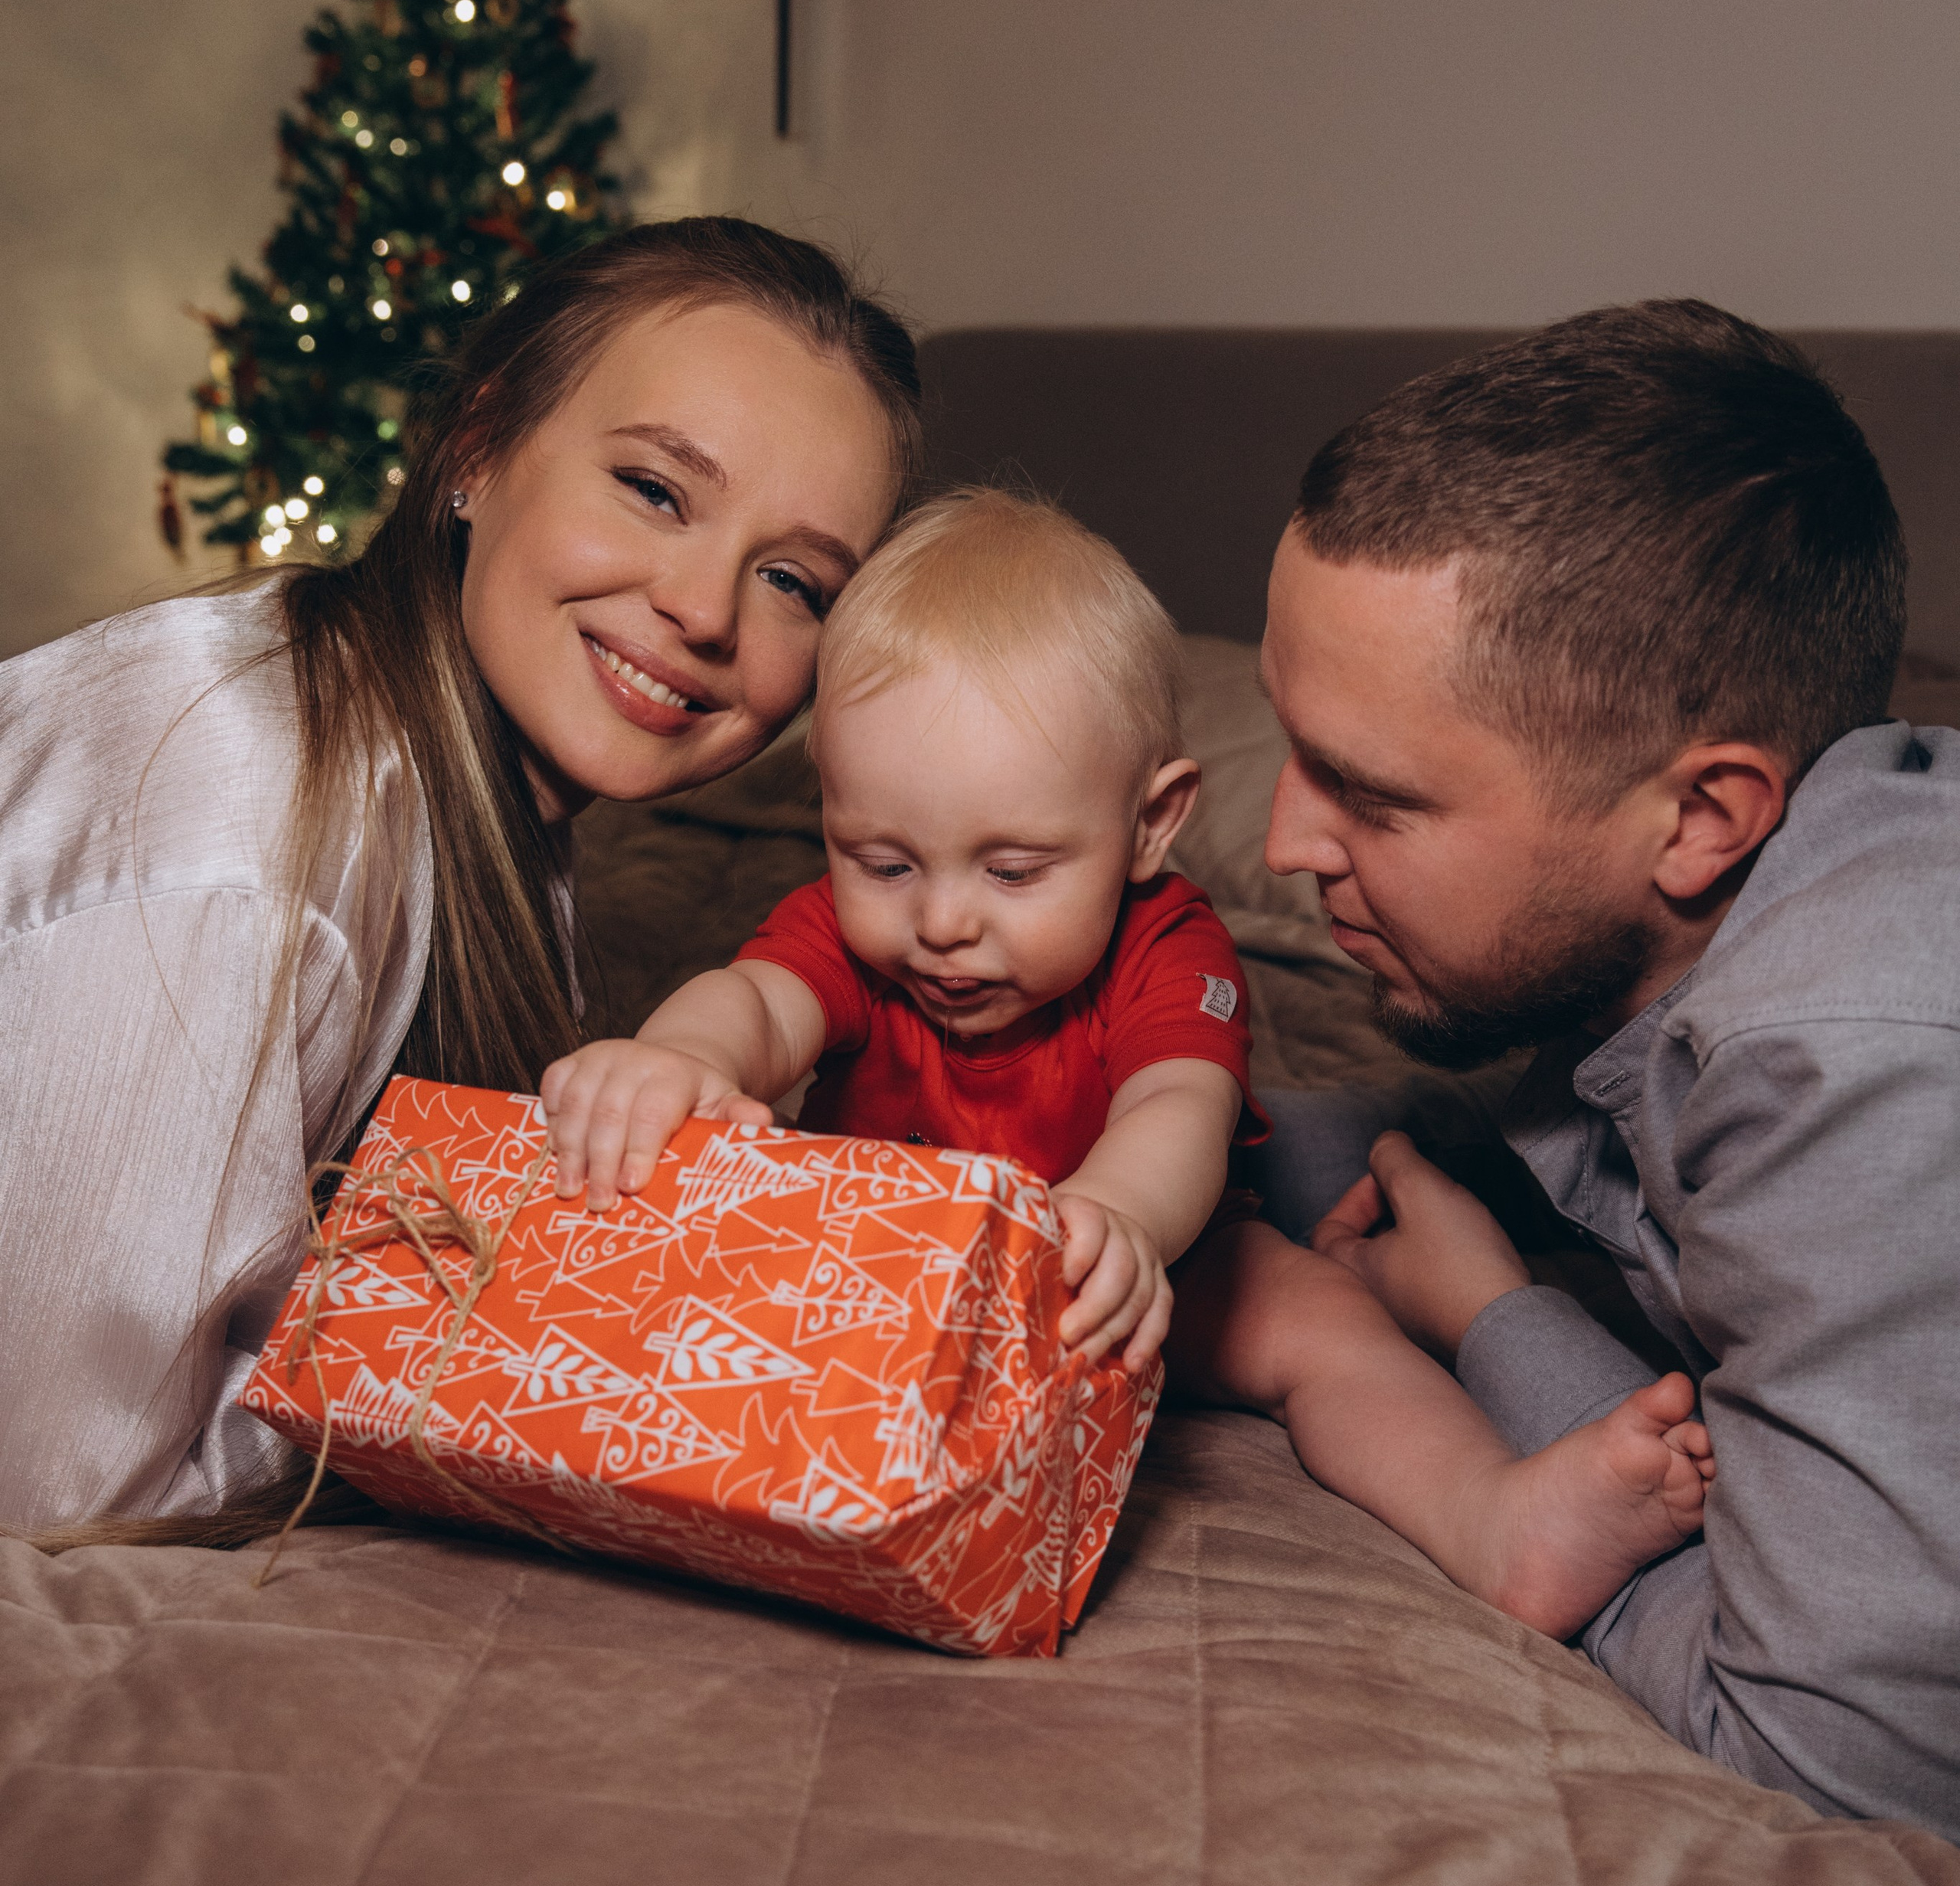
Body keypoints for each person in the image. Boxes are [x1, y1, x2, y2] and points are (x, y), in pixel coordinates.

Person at [543, 491, 1713, 1582]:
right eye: (882, 860)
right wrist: (680, 1059)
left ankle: (1494, 1521)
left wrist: (1120, 1221)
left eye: (1013, 869)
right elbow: (753, 1003)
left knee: (1323, 1330)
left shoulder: (1170, 946)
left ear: (1149, 824)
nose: (942, 923)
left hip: (1131, 1267)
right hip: (893, 1269)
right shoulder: (855, 943)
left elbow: (1178, 1110)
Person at [5, 217, 920, 1538]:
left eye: (793, 581)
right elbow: (65, 1489)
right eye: (656, 491)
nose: (709, 611)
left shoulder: (478, 797)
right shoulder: (253, 843)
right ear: (479, 447)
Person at [1207, 298, 1960, 1837]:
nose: (1285, 847)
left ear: (1699, 819)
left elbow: (1821, 1753)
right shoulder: (1709, 931)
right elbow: (1475, 1141)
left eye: (1371, 795)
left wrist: (1489, 1316)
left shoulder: (1849, 1059)